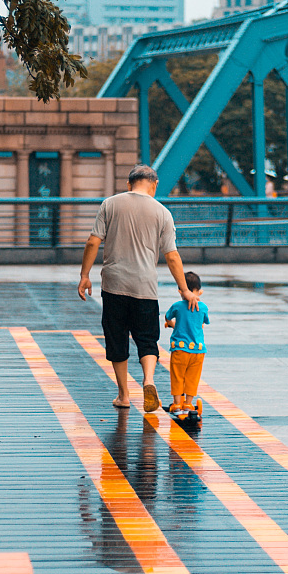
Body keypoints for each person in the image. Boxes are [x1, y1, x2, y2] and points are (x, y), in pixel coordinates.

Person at [78, 164, 199, 410]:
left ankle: (123, 396)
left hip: (114, 285)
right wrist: (185, 289)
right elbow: (172, 256)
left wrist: (85, 275)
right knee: (147, 339)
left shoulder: (110, 204)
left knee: (117, 338)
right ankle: (149, 380)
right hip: (145, 286)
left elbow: (93, 241)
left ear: (128, 184)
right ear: (154, 185)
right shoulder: (162, 212)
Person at [164, 270, 209, 415]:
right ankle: (188, 404)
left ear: (180, 290)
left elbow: (167, 317)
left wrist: (171, 324)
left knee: (177, 375)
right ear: (199, 291)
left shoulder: (177, 306)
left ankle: (177, 404)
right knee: (192, 377)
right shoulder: (203, 307)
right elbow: (203, 322)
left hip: (180, 349)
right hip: (198, 350)